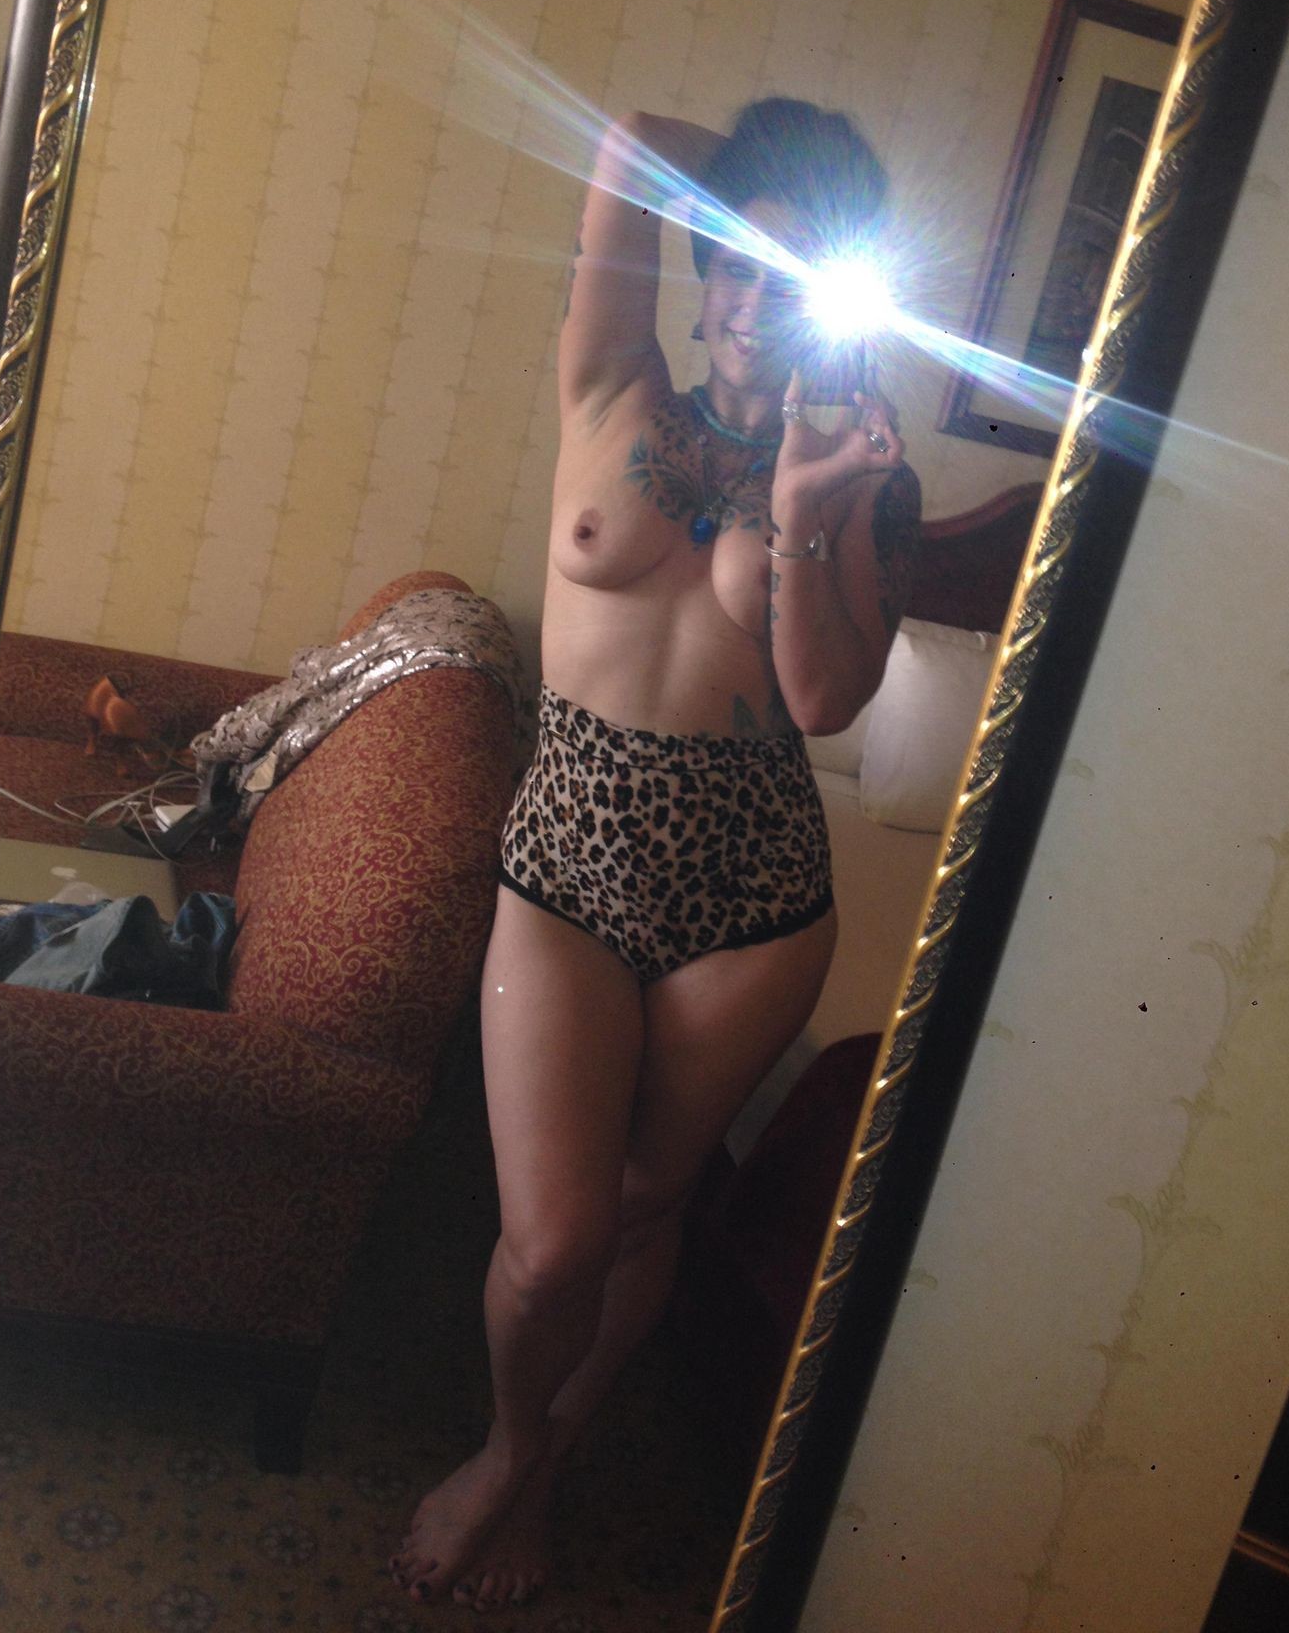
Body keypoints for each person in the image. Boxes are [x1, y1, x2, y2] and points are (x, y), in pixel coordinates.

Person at [390, 97, 921, 1612]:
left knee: (641, 1208)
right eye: (744, 262)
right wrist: (785, 187)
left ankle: (547, 1470)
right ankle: (509, 1444)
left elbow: (823, 701)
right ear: (706, 267)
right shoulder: (612, 375)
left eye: (800, 280)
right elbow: (629, 139)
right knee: (551, 1243)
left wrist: (809, 504)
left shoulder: (870, 472)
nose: (759, 302)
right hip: (566, 862)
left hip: (752, 903)